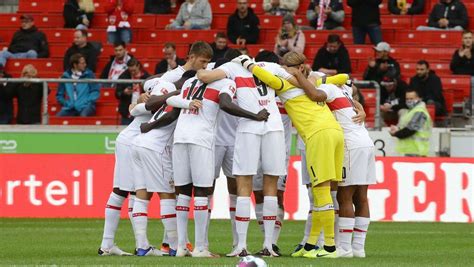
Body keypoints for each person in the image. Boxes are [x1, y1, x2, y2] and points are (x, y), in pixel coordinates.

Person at [232, 52, 348, 258]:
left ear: (292, 68)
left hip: (317, 135)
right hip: (335, 132)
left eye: (284, 67)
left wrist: (246, 63)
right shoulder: (315, 82)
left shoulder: (286, 86)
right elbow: (343, 78)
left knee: (321, 193)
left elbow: (267, 78)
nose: (281, 70)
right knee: (326, 192)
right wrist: (307, 79)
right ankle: (311, 244)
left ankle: (330, 247)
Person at [197, 50, 289, 257]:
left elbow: (203, 76)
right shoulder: (271, 68)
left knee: (243, 185)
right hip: (274, 126)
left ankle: (241, 246)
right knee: (271, 186)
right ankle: (268, 246)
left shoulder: (231, 69)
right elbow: (295, 76)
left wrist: (209, 66)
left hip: (248, 128)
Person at [129, 71, 197, 257]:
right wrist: (151, 126)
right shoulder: (182, 94)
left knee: (142, 194)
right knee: (167, 194)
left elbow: (139, 107)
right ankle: (175, 246)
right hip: (155, 147)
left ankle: (142, 246)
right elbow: (172, 114)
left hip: (138, 144)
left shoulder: (169, 93)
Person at [98, 84, 151, 257]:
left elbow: (133, 108)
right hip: (131, 142)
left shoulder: (162, 93)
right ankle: (107, 245)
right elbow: (133, 110)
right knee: (121, 191)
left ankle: (140, 245)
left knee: (136, 192)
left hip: (136, 143)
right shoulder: (161, 94)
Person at [389, 88, 432, 157]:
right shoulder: (410, 111)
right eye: (407, 99)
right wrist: (397, 128)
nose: (409, 101)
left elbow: (411, 129)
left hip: (418, 152)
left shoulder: (420, 112)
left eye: (411, 99)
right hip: (410, 151)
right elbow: (406, 127)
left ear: (419, 98)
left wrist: (396, 133)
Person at [115, 58, 150, 125]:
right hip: (127, 113)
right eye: (130, 71)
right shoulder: (123, 77)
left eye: (134, 70)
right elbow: (117, 94)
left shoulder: (147, 77)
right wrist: (124, 93)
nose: (132, 72)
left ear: (138, 66)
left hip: (143, 112)